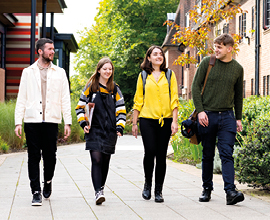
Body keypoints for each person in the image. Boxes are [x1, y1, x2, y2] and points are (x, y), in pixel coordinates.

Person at [14, 38, 72, 206]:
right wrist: (18, 121)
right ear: (40, 51)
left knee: (50, 156)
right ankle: (36, 191)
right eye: (49, 49)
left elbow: (65, 99)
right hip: (32, 120)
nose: (53, 51)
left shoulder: (60, 72)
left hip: (51, 121)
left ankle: (47, 181)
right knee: (33, 156)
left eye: (53, 49)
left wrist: (67, 122)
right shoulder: (28, 72)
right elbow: (21, 98)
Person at [191, 33, 245, 205]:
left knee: (226, 154)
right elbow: (195, 86)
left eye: (219, 47)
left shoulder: (238, 68)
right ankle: (207, 189)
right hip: (207, 115)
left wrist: (238, 118)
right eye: (215, 46)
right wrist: (200, 111)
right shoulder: (208, 63)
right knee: (207, 154)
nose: (216, 50)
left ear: (229, 48)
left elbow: (238, 95)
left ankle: (230, 191)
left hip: (227, 116)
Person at [75, 57, 126, 205]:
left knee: (105, 161)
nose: (107, 71)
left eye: (110, 69)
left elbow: (121, 108)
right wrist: (83, 122)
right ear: (99, 70)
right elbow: (80, 107)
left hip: (110, 131)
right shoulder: (91, 87)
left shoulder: (114, 88)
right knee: (96, 159)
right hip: (94, 130)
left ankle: (101, 187)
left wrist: (120, 126)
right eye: (105, 69)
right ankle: (98, 191)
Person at [132, 45, 178, 203]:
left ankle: (158, 190)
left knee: (161, 155)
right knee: (150, 152)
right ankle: (147, 185)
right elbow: (138, 100)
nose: (159, 56)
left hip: (165, 120)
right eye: (155, 54)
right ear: (149, 58)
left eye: (161, 54)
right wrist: (134, 123)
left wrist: (175, 121)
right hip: (147, 120)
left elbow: (174, 100)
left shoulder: (170, 75)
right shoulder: (143, 76)